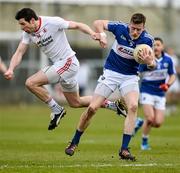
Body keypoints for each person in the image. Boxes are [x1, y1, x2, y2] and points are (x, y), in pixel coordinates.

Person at [4, 8, 126, 131]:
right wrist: (10, 69)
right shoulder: (27, 33)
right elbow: (19, 52)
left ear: (31, 20)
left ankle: (57, 109)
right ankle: (113, 105)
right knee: (75, 103)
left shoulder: (52, 22)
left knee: (31, 83)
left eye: (23, 24)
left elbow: (78, 25)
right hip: (62, 66)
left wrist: (93, 34)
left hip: (68, 62)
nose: (21, 27)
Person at [65, 13, 156, 161]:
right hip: (111, 72)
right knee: (92, 108)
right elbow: (97, 21)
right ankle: (74, 142)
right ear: (129, 24)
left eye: (138, 30)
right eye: (133, 28)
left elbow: (153, 64)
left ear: (143, 28)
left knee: (133, 106)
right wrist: (102, 35)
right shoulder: (120, 28)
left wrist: (149, 62)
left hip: (130, 76)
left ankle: (124, 149)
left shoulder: (147, 41)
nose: (135, 32)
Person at [133, 37, 176, 150]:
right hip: (147, 91)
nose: (156, 47)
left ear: (162, 47)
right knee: (150, 118)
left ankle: (139, 122)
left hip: (160, 93)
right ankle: (144, 142)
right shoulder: (145, 59)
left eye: (158, 45)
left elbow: (173, 75)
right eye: (154, 45)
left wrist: (168, 85)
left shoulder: (168, 59)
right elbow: (137, 72)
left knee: (158, 123)